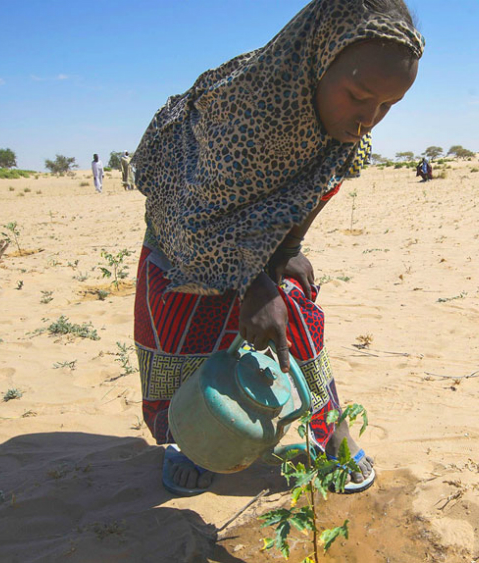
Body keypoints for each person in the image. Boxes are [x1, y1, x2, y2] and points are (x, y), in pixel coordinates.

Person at [129, 0, 423, 496]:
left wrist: (287, 247)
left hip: (258, 230)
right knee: (189, 323)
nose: (369, 118)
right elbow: (194, 216)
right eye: (358, 96)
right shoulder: (243, 114)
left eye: (387, 106)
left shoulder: (347, 130)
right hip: (185, 225)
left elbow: (321, 186)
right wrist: (251, 285)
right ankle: (190, 438)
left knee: (294, 314)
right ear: (319, 61)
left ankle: (333, 432)